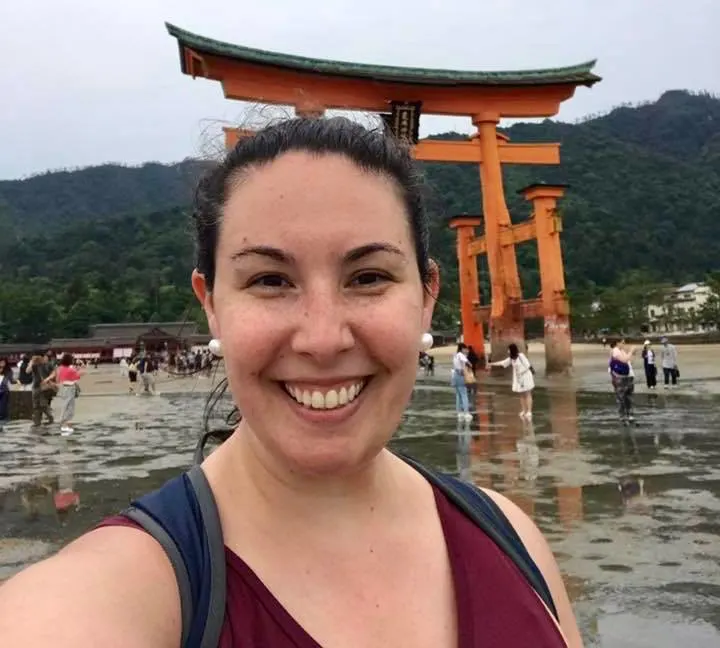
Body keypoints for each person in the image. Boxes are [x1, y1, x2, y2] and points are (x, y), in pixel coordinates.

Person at [0, 118, 582, 647]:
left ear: (427, 296)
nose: (322, 338)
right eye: (271, 280)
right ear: (211, 304)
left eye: (369, 276)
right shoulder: (109, 599)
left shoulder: (514, 538)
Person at [487, 343, 536, 419]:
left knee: (527, 393)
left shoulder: (521, 356)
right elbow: (502, 363)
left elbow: (528, 365)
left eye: (509, 349)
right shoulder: (511, 359)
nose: (508, 351)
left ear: (512, 350)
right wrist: (491, 364)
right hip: (519, 378)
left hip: (526, 376)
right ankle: (524, 410)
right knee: (521, 394)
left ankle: (529, 411)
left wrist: (522, 372)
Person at [45, 353, 82, 436]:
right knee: (69, 406)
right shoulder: (69, 369)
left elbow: (57, 377)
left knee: (67, 405)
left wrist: (50, 381)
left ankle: (65, 423)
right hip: (69, 387)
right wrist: (81, 370)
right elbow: (76, 377)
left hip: (63, 387)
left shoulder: (60, 368)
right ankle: (64, 423)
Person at [609, 339, 636, 425]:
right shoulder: (615, 351)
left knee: (629, 397)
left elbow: (629, 362)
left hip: (628, 376)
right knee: (621, 397)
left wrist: (632, 354)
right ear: (617, 343)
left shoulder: (622, 351)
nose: (624, 344)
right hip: (620, 377)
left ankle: (629, 414)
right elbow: (623, 360)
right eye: (623, 343)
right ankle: (622, 416)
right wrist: (631, 351)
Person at [27, 352, 55, 428]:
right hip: (35, 387)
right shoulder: (34, 365)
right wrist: (31, 362)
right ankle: (37, 422)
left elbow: (53, 373)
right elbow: (27, 371)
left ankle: (50, 418)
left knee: (43, 405)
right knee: (35, 405)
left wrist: (47, 379)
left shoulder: (47, 364)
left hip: (44, 387)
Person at [451, 343, 472, 421]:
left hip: (455, 375)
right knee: (464, 394)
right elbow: (468, 363)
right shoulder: (461, 355)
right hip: (461, 375)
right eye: (465, 348)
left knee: (458, 395)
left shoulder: (455, 355)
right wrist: (470, 366)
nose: (466, 350)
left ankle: (459, 412)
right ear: (462, 348)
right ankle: (466, 413)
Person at [0, 357, 15, 422]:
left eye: (3, 362)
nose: (2, 363)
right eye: (1, 362)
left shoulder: (8, 371)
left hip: (4, 390)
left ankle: (4, 419)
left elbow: (11, 380)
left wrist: (17, 381)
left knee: (3, 406)